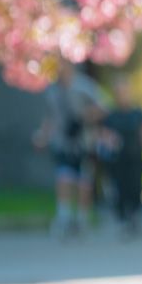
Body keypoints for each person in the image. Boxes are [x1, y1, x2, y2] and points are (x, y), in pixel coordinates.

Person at [33, 59, 106, 238]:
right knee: (64, 177)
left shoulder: (85, 86)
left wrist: (86, 116)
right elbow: (50, 118)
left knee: (83, 182)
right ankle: (64, 216)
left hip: (85, 142)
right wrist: (42, 135)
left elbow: (103, 108)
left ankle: (81, 218)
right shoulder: (52, 91)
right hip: (63, 143)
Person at [102, 80, 142, 239]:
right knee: (120, 189)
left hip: (136, 156)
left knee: (136, 187)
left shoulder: (138, 114)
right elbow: (104, 136)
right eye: (119, 93)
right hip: (118, 160)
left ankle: (135, 217)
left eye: (124, 92)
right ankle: (124, 220)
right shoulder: (111, 116)